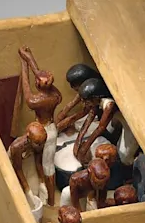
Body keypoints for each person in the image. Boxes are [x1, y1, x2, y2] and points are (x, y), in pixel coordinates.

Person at [18, 46, 62, 205]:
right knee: (40, 160)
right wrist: (29, 58)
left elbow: (26, 90)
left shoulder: (36, 101)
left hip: (45, 132)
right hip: (48, 128)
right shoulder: (56, 95)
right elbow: (40, 75)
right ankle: (43, 186)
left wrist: (24, 66)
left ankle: (51, 200)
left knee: (47, 166)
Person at [8, 121, 47, 207]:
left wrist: (42, 182)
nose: (41, 146)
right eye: (38, 144)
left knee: (35, 189)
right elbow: (18, 169)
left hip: (29, 158)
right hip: (16, 162)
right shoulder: (17, 147)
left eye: (42, 144)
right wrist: (27, 190)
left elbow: (38, 162)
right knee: (19, 190)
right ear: (29, 139)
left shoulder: (40, 143)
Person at [55, 63, 101, 134]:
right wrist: (63, 114)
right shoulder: (85, 89)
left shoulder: (94, 91)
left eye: (75, 85)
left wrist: (67, 121)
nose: (72, 87)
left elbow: (86, 110)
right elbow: (73, 103)